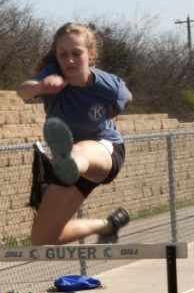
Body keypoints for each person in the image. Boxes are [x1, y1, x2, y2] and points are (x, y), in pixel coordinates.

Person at [17, 22, 131, 245]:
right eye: (63, 55)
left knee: (79, 150)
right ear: (56, 56)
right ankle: (108, 225)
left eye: (76, 54)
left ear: (90, 54)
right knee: (42, 239)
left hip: (103, 149)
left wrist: (115, 109)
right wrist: (41, 86)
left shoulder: (107, 84)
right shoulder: (51, 75)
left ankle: (67, 163)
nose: (69, 60)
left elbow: (126, 96)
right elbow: (23, 91)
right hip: (70, 167)